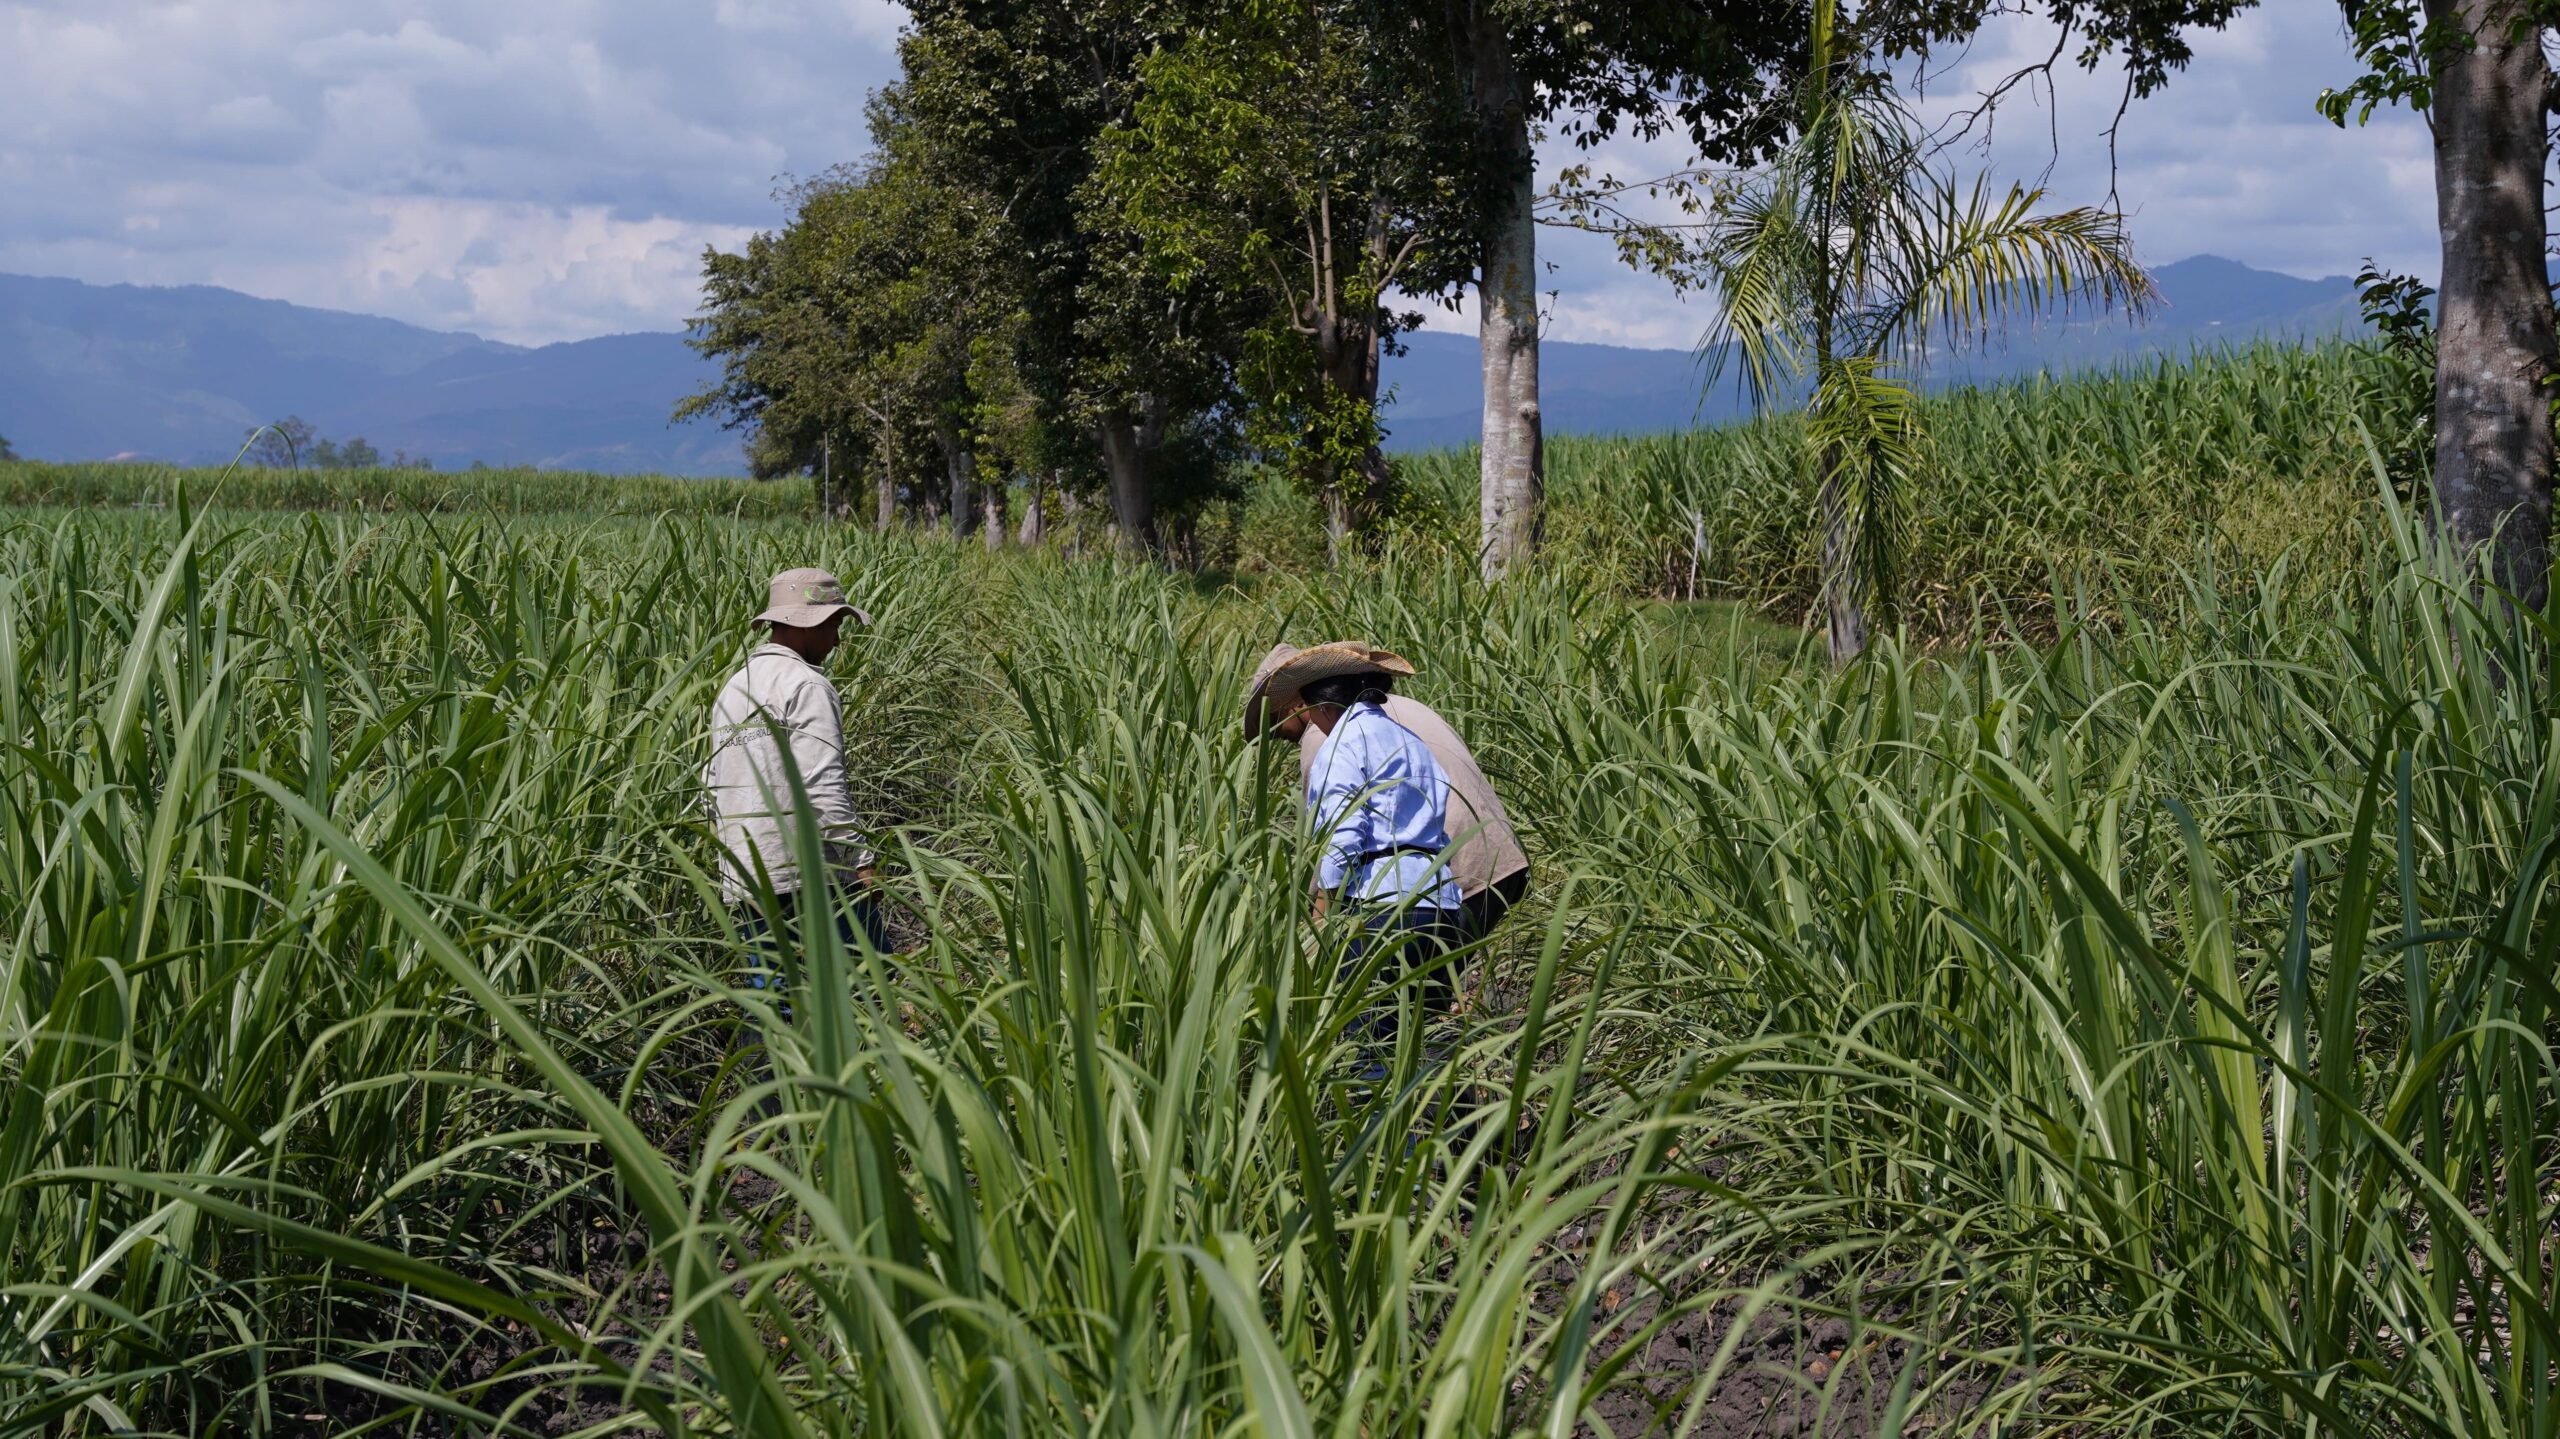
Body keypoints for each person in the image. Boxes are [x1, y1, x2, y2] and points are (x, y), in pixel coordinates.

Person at [1249, 642, 1469, 1063]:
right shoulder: (1409, 739)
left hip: (1386, 910)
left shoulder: (1343, 743)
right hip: (1441, 905)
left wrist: (1322, 916)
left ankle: (1382, 1127)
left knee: (1373, 1047)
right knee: (1422, 1040)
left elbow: (1343, 836)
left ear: (1324, 706)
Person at [1245, 642, 1531, 942]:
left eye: (1276, 726)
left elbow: (1338, 837)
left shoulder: (1328, 736)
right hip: (1488, 865)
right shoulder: (1396, 715)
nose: (1282, 739)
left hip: (1441, 881)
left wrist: (1316, 925)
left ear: (1300, 704)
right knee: (1434, 985)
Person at [702, 567, 891, 1006]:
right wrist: (861, 862)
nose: (839, 640)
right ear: (812, 624)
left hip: (748, 873)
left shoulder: (734, 687)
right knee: (866, 989)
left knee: (774, 1001)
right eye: (836, 626)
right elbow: (822, 787)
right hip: (809, 873)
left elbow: (711, 785)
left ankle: (775, 1072)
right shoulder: (808, 685)